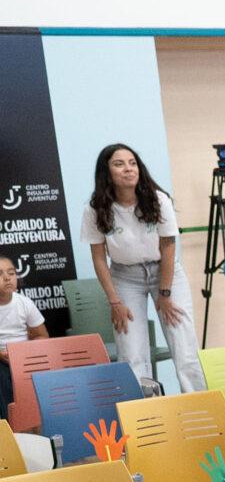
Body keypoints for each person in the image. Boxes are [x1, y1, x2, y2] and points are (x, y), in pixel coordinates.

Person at [79, 144, 204, 394]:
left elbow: (168, 246)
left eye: (132, 163)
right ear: (106, 172)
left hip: (165, 272)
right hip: (125, 277)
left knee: (184, 349)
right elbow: (99, 258)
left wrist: (165, 294)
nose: (128, 169)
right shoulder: (95, 209)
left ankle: (198, 405)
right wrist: (115, 301)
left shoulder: (158, 200)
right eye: (119, 164)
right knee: (131, 352)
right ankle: (144, 412)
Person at [0, 255, 49, 418]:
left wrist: (24, 353)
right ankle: (9, 423)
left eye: (11, 273)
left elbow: (42, 336)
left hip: (25, 357)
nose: (7, 278)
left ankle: (36, 419)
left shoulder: (24, 303)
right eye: (0, 274)